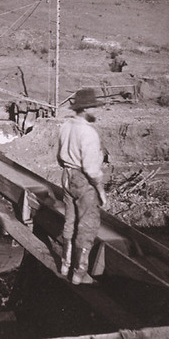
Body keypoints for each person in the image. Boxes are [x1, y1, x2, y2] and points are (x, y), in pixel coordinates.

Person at [57, 87, 109, 285]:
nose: (96, 111)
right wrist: (101, 192)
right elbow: (91, 169)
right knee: (87, 225)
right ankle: (79, 273)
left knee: (69, 220)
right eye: (94, 108)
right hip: (82, 179)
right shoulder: (88, 133)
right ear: (86, 108)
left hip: (66, 175)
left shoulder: (65, 126)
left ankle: (65, 263)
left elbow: (59, 156)